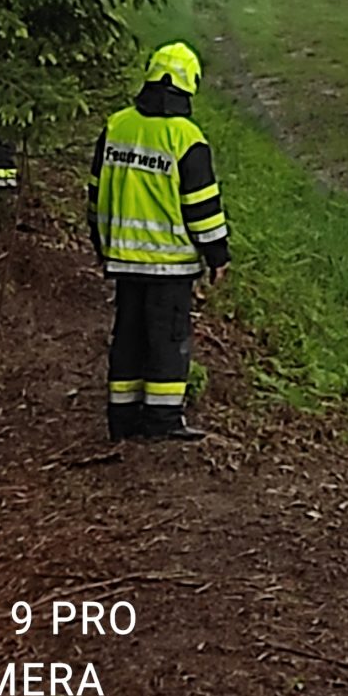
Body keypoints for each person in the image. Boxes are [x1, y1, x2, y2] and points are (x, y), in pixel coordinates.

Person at [91, 42, 230, 442]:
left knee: (128, 337)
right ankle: (163, 420)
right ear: (189, 85)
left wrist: (102, 244)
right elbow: (202, 206)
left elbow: (95, 193)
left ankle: (122, 420)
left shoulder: (117, 126)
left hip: (121, 258)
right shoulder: (186, 138)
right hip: (170, 265)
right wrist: (217, 254)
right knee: (168, 340)